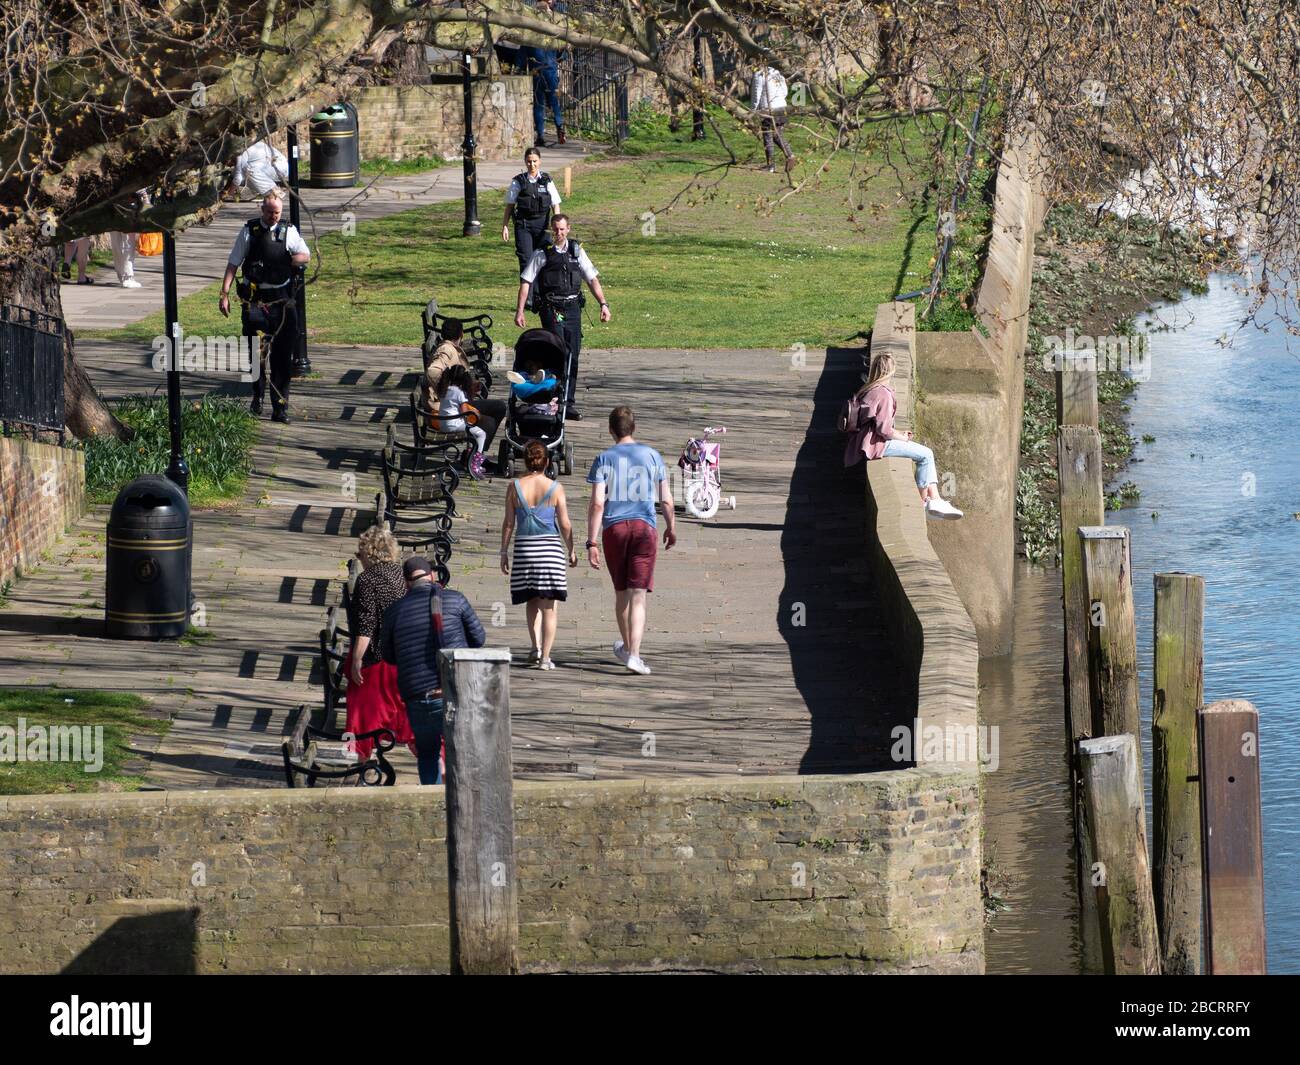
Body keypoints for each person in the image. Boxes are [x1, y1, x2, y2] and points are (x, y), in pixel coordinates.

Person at [586, 405, 676, 676]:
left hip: (615, 530)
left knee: (621, 594)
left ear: (611, 430)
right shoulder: (652, 456)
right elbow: (666, 499)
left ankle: (627, 648)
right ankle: (633, 654)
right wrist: (671, 527)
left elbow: (598, 504)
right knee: (639, 596)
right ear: (633, 428)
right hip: (644, 529)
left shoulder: (604, 459)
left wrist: (591, 542)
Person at [381, 556, 486, 785]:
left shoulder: (394, 612)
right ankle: (464, 799)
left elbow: (388, 656)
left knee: (427, 753)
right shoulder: (456, 600)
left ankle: (433, 800)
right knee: (462, 750)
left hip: (417, 696)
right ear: (432, 576)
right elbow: (479, 639)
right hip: (454, 690)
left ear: (407, 583)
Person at [219, 191, 310, 423]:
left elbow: (305, 255)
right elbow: (233, 263)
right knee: (256, 355)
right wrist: (224, 294)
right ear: (262, 210)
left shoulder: (288, 231)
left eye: (277, 212)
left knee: (282, 358)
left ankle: (280, 408)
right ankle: (257, 396)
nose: (273, 216)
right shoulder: (249, 231)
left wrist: (290, 260)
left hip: (282, 302)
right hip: (255, 302)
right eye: (269, 212)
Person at [843, 351, 964, 519]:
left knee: (924, 455)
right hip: (876, 444)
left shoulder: (868, 389)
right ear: (892, 371)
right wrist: (902, 438)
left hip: (865, 441)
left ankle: (934, 500)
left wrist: (899, 432)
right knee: (926, 455)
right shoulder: (883, 394)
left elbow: (876, 423)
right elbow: (883, 430)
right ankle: (925, 502)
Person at [514, 213, 610, 421]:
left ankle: (569, 403)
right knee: (557, 352)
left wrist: (603, 304)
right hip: (552, 309)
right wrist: (520, 310)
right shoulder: (543, 253)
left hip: (573, 308)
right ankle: (554, 399)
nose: (559, 233)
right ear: (551, 230)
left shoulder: (577, 251)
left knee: (573, 355)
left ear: (568, 229)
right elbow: (526, 281)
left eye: (562, 229)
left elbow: (592, 279)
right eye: (555, 229)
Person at [500, 439, 578, 670]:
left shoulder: (514, 487)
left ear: (526, 461)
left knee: (531, 599)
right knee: (549, 607)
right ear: (547, 462)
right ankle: (545, 658)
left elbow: (508, 524)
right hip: (549, 552)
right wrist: (572, 549)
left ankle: (534, 647)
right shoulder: (555, 488)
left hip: (524, 550)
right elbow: (564, 524)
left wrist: (504, 551)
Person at [345, 525, 413, 760]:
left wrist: (356, 660)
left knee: (361, 711)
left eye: (360, 552)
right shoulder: (399, 574)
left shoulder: (367, 580)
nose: (359, 557)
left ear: (370, 552)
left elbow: (366, 626)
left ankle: (361, 759)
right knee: (398, 707)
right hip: (402, 655)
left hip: (377, 658)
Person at [502, 148, 562, 311]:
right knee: (526, 261)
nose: (532, 164)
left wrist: (556, 226)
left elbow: (555, 204)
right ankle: (528, 299)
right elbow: (510, 206)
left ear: (540, 161)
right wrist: (505, 226)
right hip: (524, 226)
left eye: (535, 161)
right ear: (525, 162)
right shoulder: (518, 182)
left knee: (543, 260)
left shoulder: (547, 180)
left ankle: (542, 296)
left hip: (543, 226)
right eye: (529, 161)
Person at [437, 365, 498, 480]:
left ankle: (470, 456)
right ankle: (475, 464)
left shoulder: (445, 389)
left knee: (473, 431)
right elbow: (465, 413)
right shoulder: (459, 393)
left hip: (442, 424)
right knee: (481, 433)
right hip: (453, 425)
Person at [520, 6, 566, 148]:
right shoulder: (552, 36)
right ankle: (560, 126)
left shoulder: (529, 38)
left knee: (539, 105)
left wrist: (518, 70)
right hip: (551, 71)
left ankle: (540, 135)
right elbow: (561, 54)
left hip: (537, 73)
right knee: (554, 102)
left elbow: (521, 58)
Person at [752, 64, 796, 173]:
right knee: (777, 134)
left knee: (767, 136)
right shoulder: (778, 73)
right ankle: (790, 155)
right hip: (781, 108)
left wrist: (752, 110)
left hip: (768, 109)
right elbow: (785, 92)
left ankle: (770, 166)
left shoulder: (759, 74)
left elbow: (756, 94)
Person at [225, 139, 290, 199]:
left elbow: (238, 178)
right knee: (245, 170)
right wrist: (225, 190)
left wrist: (228, 194)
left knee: (249, 170)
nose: (229, 166)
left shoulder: (241, 153)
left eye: (226, 163)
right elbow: (235, 174)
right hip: (274, 166)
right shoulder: (246, 146)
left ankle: (273, 193)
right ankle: (268, 193)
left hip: (280, 167)